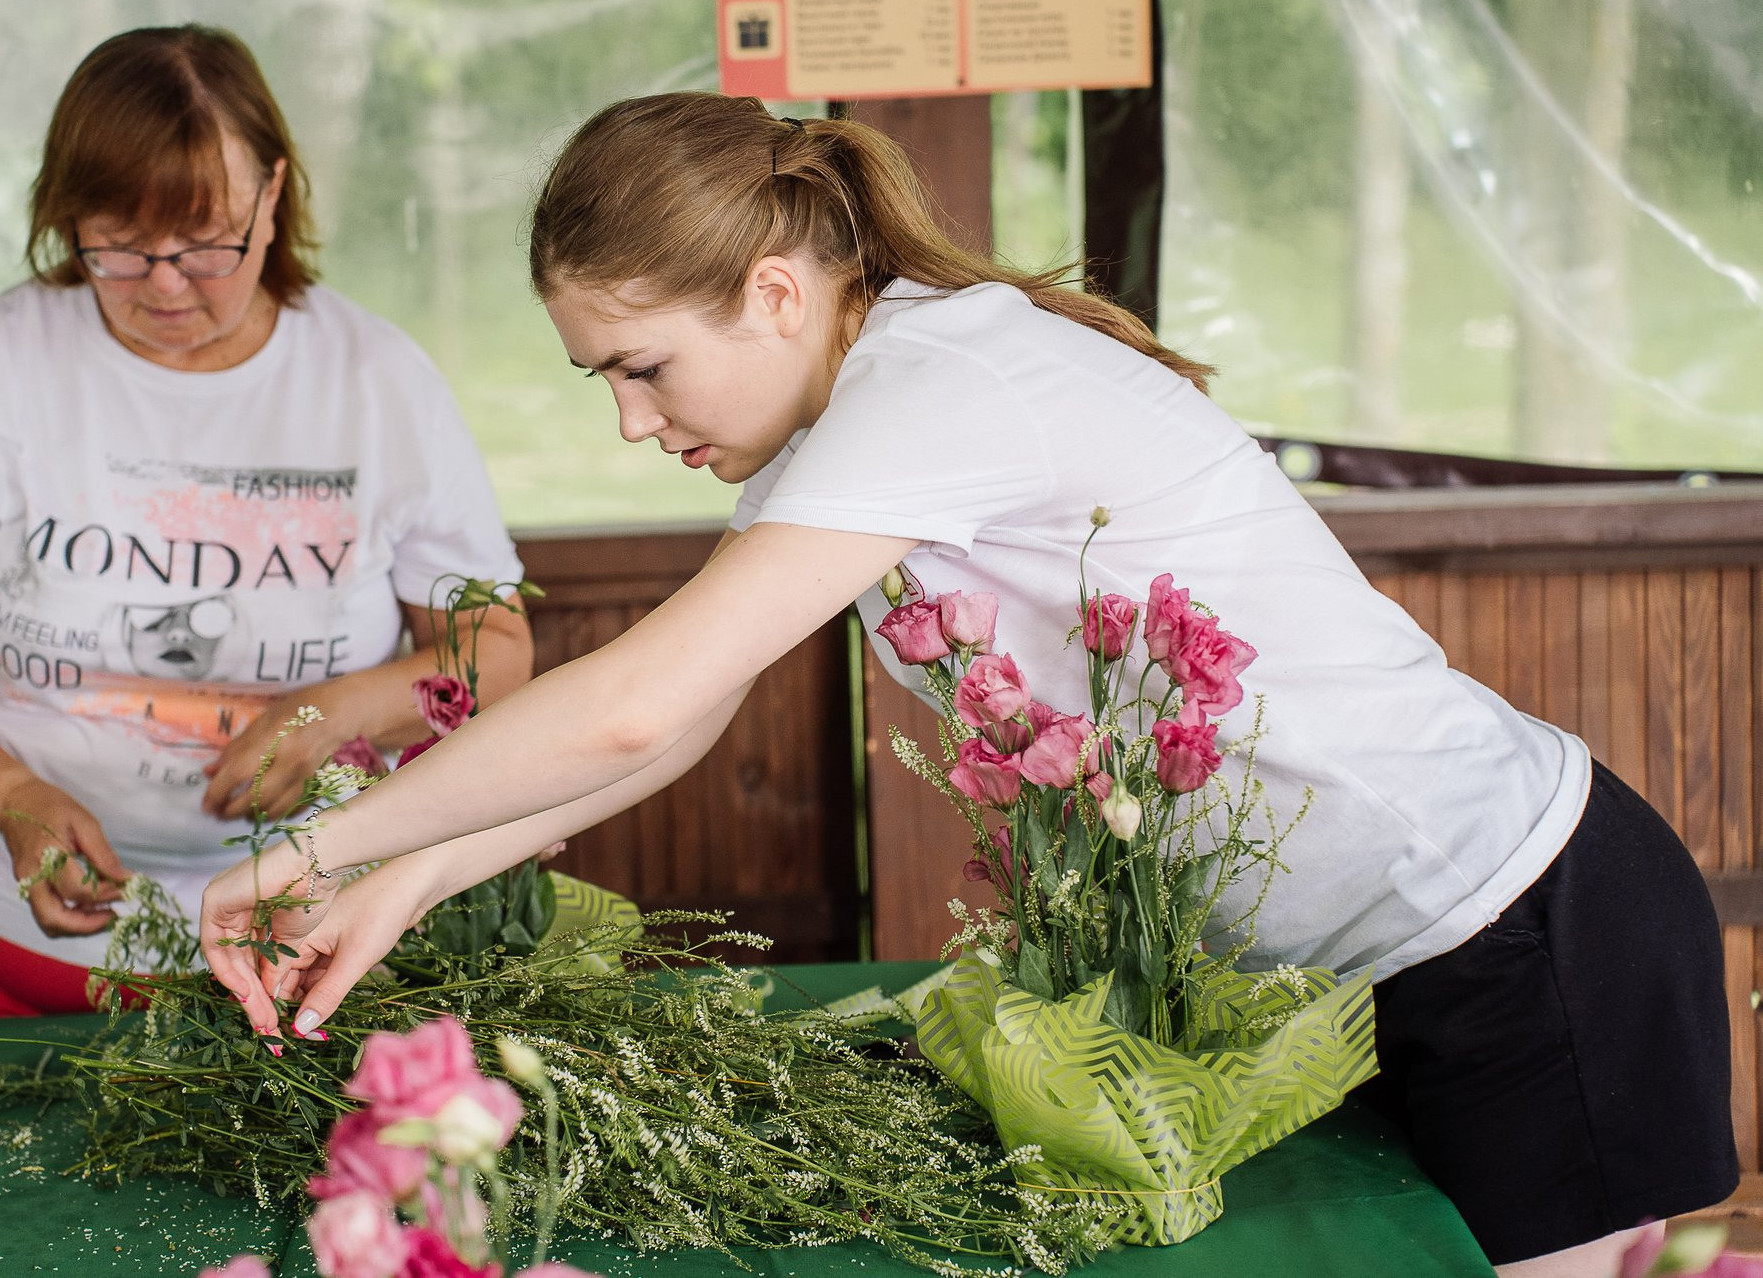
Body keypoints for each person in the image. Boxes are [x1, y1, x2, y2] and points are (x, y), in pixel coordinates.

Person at [199, 91, 1735, 1275]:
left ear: (778, 296)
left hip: (1526, 931)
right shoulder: (846, 426)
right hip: (1375, 965)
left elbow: (629, 706)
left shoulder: (935, 383)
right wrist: (400, 877)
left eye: (642, 366)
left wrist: (308, 849)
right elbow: (666, 732)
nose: (628, 422)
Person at [0, 25, 531, 1021]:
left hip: (305, 925)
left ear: (274, 193)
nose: (162, 283)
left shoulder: (378, 385)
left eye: (205, 240)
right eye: (116, 239)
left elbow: (494, 651)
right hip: (11, 923)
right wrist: (8, 793)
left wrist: (338, 710)